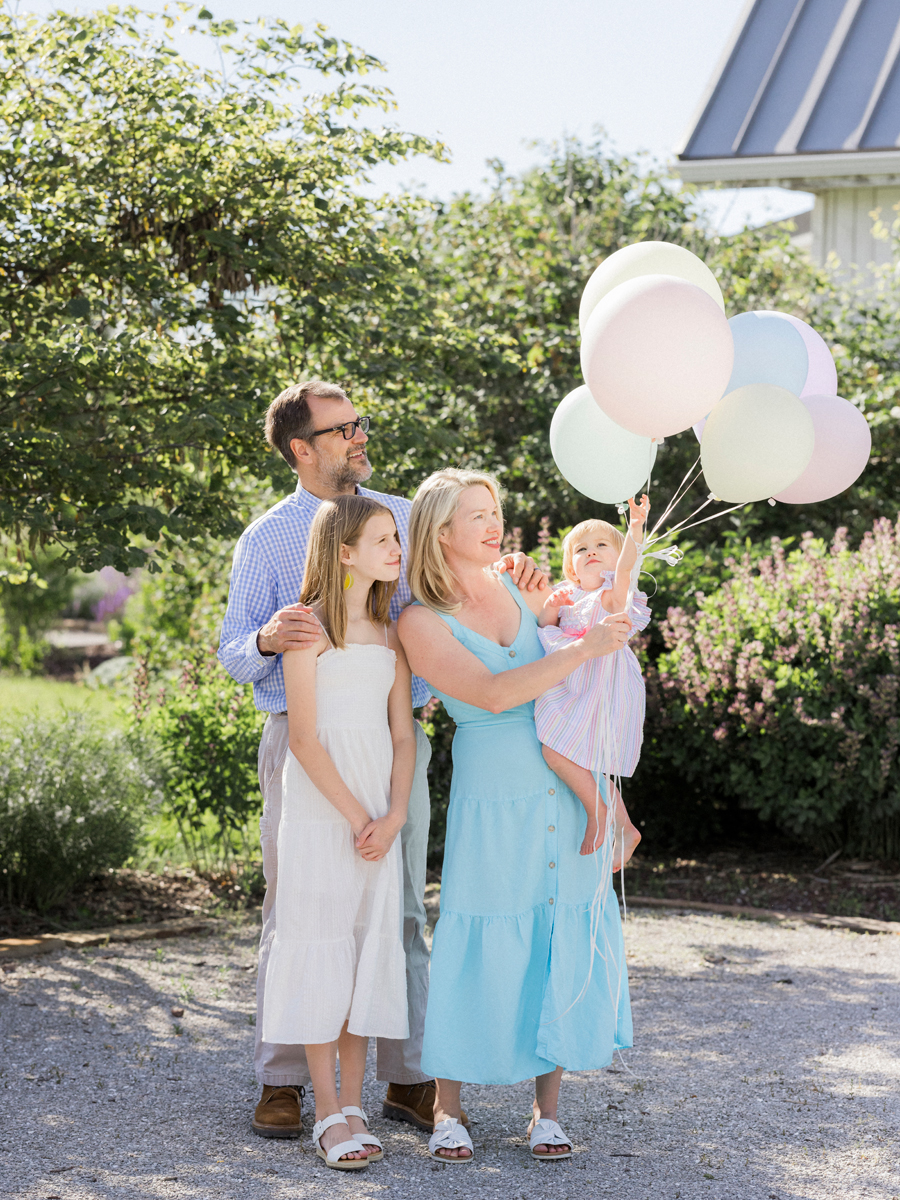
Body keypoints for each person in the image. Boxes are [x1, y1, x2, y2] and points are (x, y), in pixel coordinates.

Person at [217, 381, 546, 1139]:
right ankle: (284, 1081)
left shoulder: (401, 517)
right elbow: (233, 649)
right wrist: (268, 638)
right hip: (302, 741)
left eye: (359, 423)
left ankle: (405, 1076)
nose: (359, 436)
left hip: (396, 738)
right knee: (295, 908)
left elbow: (470, 579)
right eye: (341, 430)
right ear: (302, 448)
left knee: (398, 910)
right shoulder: (268, 537)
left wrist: (518, 574)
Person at [398, 468, 634, 1165]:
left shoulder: (517, 585)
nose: (493, 521)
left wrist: (585, 629)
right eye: (475, 513)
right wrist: (583, 651)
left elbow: (572, 649)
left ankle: (547, 1112)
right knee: (477, 928)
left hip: (559, 775)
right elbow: (495, 694)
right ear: (440, 532)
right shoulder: (418, 618)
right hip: (491, 785)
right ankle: (447, 1109)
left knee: (557, 926)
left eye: (493, 508)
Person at [262, 495, 414, 1171]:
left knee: (362, 949)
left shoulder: (391, 632)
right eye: (382, 539)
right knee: (321, 945)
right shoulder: (308, 629)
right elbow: (302, 737)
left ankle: (353, 1102)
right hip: (328, 813)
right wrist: (357, 817)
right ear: (344, 552)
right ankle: (326, 1108)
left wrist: (394, 814)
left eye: (396, 539)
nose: (395, 549)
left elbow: (404, 735)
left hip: (380, 811)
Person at [535, 497, 650, 860]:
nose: (592, 551)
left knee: (568, 753)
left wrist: (634, 530)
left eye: (602, 545)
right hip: (572, 684)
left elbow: (629, 566)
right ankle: (622, 823)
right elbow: (545, 632)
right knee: (563, 752)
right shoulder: (567, 597)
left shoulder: (613, 596)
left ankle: (600, 814)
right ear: (571, 566)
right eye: (582, 549)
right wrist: (551, 610)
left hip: (604, 684)